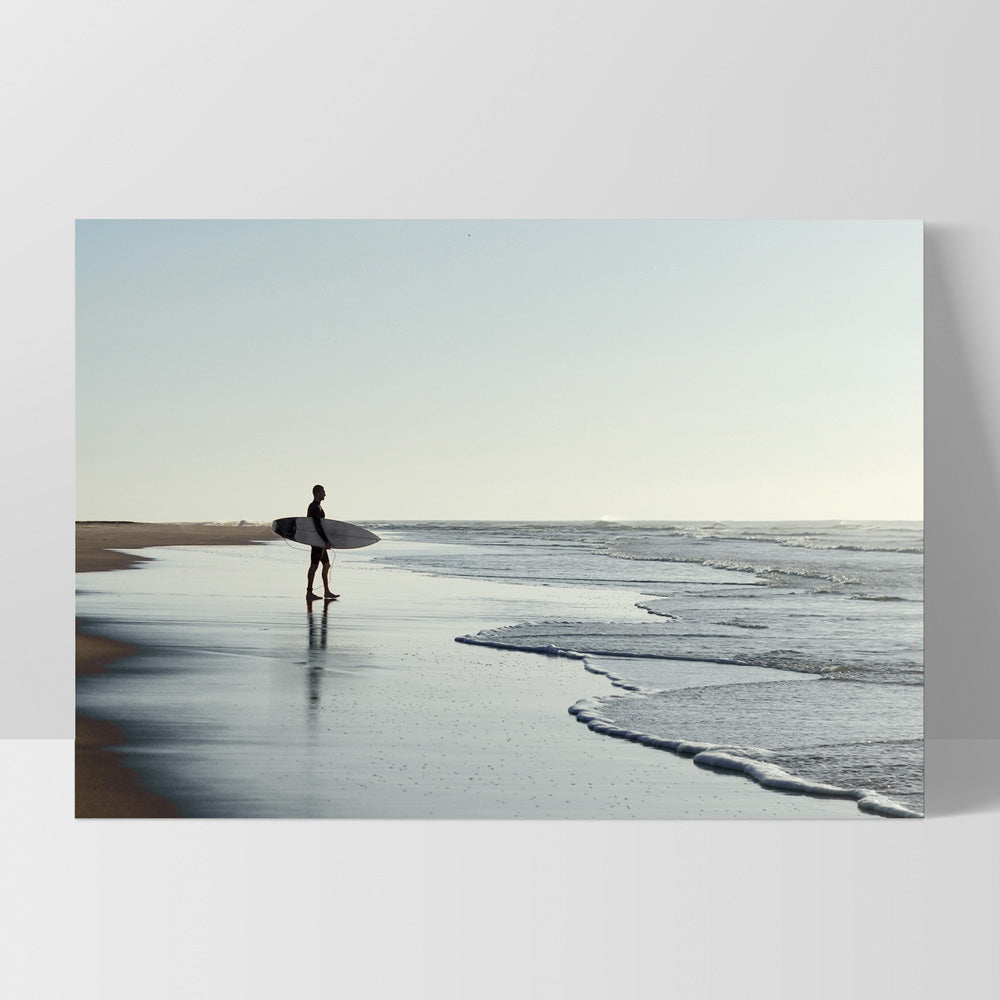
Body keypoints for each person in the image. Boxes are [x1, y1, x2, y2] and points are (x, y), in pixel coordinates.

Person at [306, 484, 339, 602]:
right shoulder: (314, 507)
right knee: (314, 566)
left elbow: (321, 526)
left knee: (326, 565)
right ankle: (309, 592)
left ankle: (326, 591)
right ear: (317, 493)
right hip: (317, 542)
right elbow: (317, 526)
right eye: (323, 492)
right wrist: (326, 541)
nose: (325, 494)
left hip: (319, 541)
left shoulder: (317, 506)